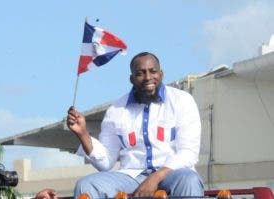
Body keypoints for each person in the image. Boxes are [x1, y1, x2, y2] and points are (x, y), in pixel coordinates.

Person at [67, 52, 204, 198]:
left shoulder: (182, 101)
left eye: (153, 71)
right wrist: (83, 134)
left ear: (161, 74)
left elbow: (188, 152)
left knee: (189, 179)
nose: (148, 77)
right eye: (140, 73)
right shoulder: (116, 110)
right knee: (86, 185)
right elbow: (105, 163)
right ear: (131, 79)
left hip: (173, 174)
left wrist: (156, 177)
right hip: (132, 176)